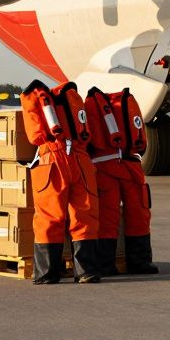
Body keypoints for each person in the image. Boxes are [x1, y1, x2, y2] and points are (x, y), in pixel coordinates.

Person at [20, 81, 102, 284]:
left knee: (52, 215)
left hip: (54, 160)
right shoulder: (73, 98)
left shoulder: (41, 99)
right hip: (76, 158)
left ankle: (49, 273)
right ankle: (86, 270)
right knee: (84, 214)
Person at [85, 87, 158, 277]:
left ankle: (105, 264)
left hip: (106, 167)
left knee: (109, 216)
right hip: (128, 165)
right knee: (138, 214)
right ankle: (139, 262)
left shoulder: (92, 105)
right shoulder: (126, 102)